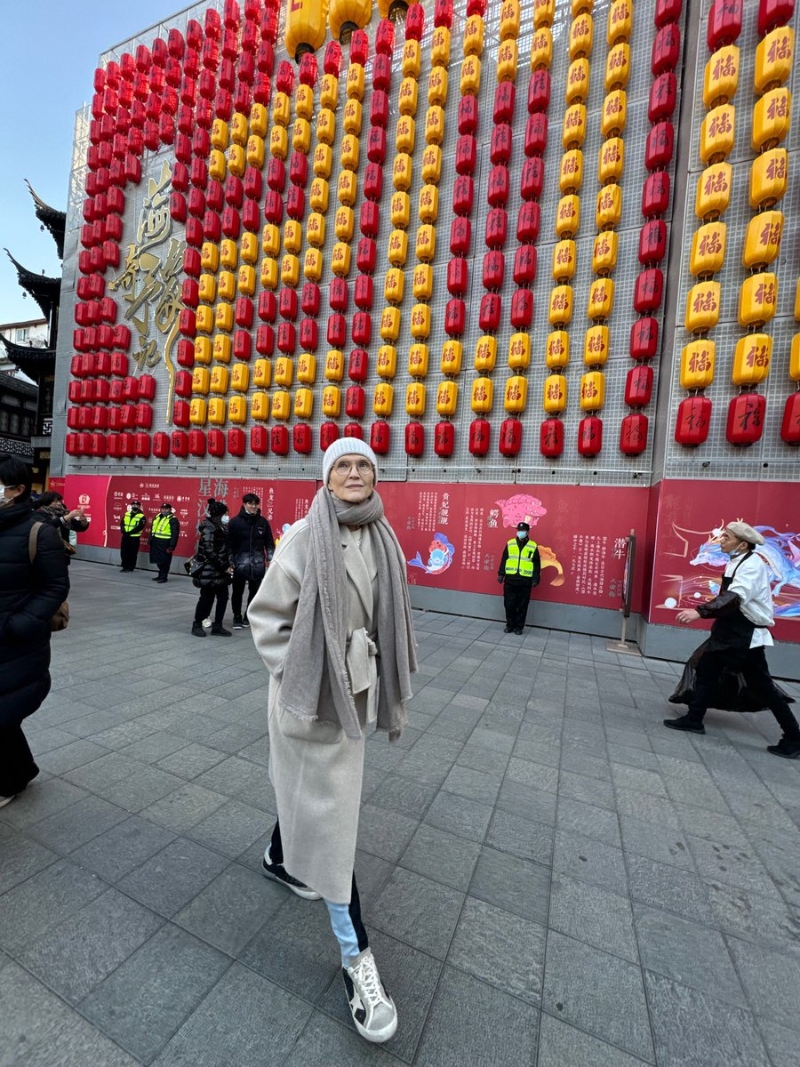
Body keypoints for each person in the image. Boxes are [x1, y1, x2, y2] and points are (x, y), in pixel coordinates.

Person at [248, 437, 417, 1044]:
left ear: (376, 476)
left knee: (308, 801)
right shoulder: (302, 537)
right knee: (333, 826)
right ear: (326, 476)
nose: (353, 472)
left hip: (354, 694)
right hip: (310, 700)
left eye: (363, 464)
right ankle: (357, 961)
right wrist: (306, 675)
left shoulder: (382, 537)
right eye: (342, 465)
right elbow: (266, 619)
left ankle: (276, 854)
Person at [664, 520, 800, 758]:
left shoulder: (752, 566)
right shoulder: (736, 562)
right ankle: (694, 719)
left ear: (743, 544)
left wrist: (699, 612)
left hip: (745, 634)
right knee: (706, 670)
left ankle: (794, 738)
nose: (722, 540)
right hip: (730, 630)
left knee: (763, 686)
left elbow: (735, 598)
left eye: (727, 537)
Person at [0, 455, 69, 806]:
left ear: (19, 489)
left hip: (16, 642)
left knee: (5, 712)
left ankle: (9, 781)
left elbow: (55, 587)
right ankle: (21, 769)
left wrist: (21, 623)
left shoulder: (38, 531)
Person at [228, 493, 275, 629]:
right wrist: (230, 562)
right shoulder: (235, 522)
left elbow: (269, 543)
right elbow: (229, 545)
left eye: (256, 504)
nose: (253, 506)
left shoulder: (263, 522)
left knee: (255, 592)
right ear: (244, 504)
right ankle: (236, 616)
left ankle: (248, 615)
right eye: (250, 503)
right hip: (240, 564)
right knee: (237, 592)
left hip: (257, 564)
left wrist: (270, 559)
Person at [191, 499, 234, 637]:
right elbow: (209, 551)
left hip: (220, 571)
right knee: (206, 598)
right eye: (225, 514)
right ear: (218, 514)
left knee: (223, 597)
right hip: (209, 570)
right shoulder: (209, 528)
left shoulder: (221, 527)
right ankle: (197, 624)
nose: (227, 516)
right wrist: (224, 567)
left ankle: (218, 626)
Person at [497, 521, 541, 634]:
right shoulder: (510, 543)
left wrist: (535, 579)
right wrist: (501, 574)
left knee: (522, 606)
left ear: (527, 532)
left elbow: (536, 564)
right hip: (510, 580)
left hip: (525, 581)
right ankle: (510, 625)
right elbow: (504, 559)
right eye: (519, 530)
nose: (520, 532)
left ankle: (519, 627)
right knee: (509, 604)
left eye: (523, 531)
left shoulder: (533, 546)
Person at [34, 490, 89, 562]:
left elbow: (77, 527)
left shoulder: (62, 512)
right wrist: (67, 517)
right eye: (56, 501)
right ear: (47, 502)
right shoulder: (39, 513)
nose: (59, 503)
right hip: (45, 551)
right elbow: (48, 526)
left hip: (62, 552)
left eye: (59, 501)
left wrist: (83, 521)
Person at [149, 501, 179, 582]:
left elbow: (175, 534)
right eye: (162, 509)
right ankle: (160, 575)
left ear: (170, 509)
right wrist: (150, 540)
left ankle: (163, 577)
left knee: (165, 561)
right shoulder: (157, 517)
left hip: (165, 543)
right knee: (158, 560)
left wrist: (171, 546)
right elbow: (152, 529)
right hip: (156, 541)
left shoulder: (173, 519)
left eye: (166, 509)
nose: (164, 510)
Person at [119, 500, 145, 572]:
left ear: (139, 507)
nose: (135, 506)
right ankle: (124, 566)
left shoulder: (142, 516)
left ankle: (131, 567)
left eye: (136, 505)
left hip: (134, 537)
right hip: (125, 536)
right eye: (133, 505)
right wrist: (123, 530)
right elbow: (122, 523)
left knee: (132, 553)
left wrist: (130, 532)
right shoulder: (126, 514)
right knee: (124, 552)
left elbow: (140, 527)